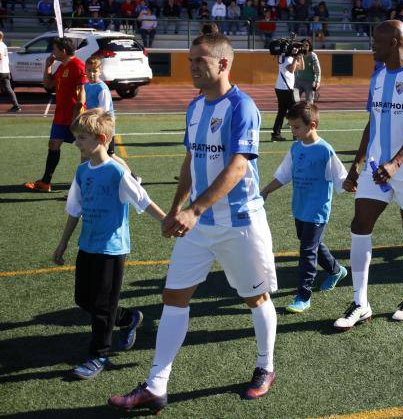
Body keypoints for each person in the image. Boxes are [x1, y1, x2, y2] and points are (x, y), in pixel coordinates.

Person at [109, 33, 279, 412]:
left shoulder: (242, 107)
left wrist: (194, 210)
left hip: (239, 223)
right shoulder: (195, 107)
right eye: (190, 61)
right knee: (174, 298)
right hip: (198, 225)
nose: (192, 67)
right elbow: (190, 162)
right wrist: (175, 208)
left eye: (200, 60)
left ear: (223, 64)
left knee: (255, 298)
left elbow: (238, 166)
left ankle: (266, 366)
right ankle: (156, 386)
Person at [333, 20, 403, 330]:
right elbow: (372, 123)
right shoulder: (377, 76)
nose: (371, 45)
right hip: (376, 168)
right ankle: (360, 302)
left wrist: (395, 163)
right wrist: (357, 163)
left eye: (376, 40)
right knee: (360, 224)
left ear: (394, 42)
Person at [52, 109, 166, 380]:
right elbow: (74, 210)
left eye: (81, 138)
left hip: (111, 249)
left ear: (100, 138)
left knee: (102, 307)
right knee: (83, 299)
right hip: (87, 246)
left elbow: (142, 199)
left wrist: (167, 221)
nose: (76, 144)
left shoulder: (116, 171)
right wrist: (62, 244)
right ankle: (128, 318)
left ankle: (98, 354)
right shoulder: (82, 171)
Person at [260, 102, 349, 313]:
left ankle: (303, 295)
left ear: (313, 125)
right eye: (291, 127)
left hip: (317, 211)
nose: (293, 131)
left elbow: (341, 178)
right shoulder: (296, 147)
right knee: (311, 244)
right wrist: (265, 191)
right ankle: (336, 270)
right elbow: (283, 175)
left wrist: (355, 185)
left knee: (307, 251)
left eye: (296, 127)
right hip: (299, 208)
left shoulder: (325, 150)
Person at [24, 38, 87, 192]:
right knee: (53, 144)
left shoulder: (77, 65)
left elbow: (82, 94)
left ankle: (84, 184)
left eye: (54, 49)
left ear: (63, 51)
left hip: (74, 116)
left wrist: (76, 116)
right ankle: (46, 182)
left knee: (86, 150)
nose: (52, 52)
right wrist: (48, 66)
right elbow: (48, 84)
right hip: (60, 116)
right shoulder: (61, 66)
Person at [83, 56, 135, 175]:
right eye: (89, 70)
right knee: (95, 155)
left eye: (94, 71)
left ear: (100, 71)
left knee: (110, 155)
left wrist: (92, 120)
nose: (91, 74)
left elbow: (104, 112)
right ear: (85, 70)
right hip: (94, 127)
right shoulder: (86, 86)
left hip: (105, 128)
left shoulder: (102, 88)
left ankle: (132, 177)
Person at [271, 49, 303, 141]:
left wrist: (300, 57)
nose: (295, 50)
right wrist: (295, 59)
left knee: (281, 112)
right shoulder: (286, 58)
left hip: (281, 88)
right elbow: (291, 69)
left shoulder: (284, 57)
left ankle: (276, 134)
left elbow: (301, 68)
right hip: (286, 88)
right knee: (295, 112)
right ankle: (296, 135)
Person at [0, 31, 21, 112]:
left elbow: (0, 57)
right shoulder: (4, 45)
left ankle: (16, 106)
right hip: (5, 70)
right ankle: (16, 106)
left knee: (8, 89)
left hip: (1, 70)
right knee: (8, 89)